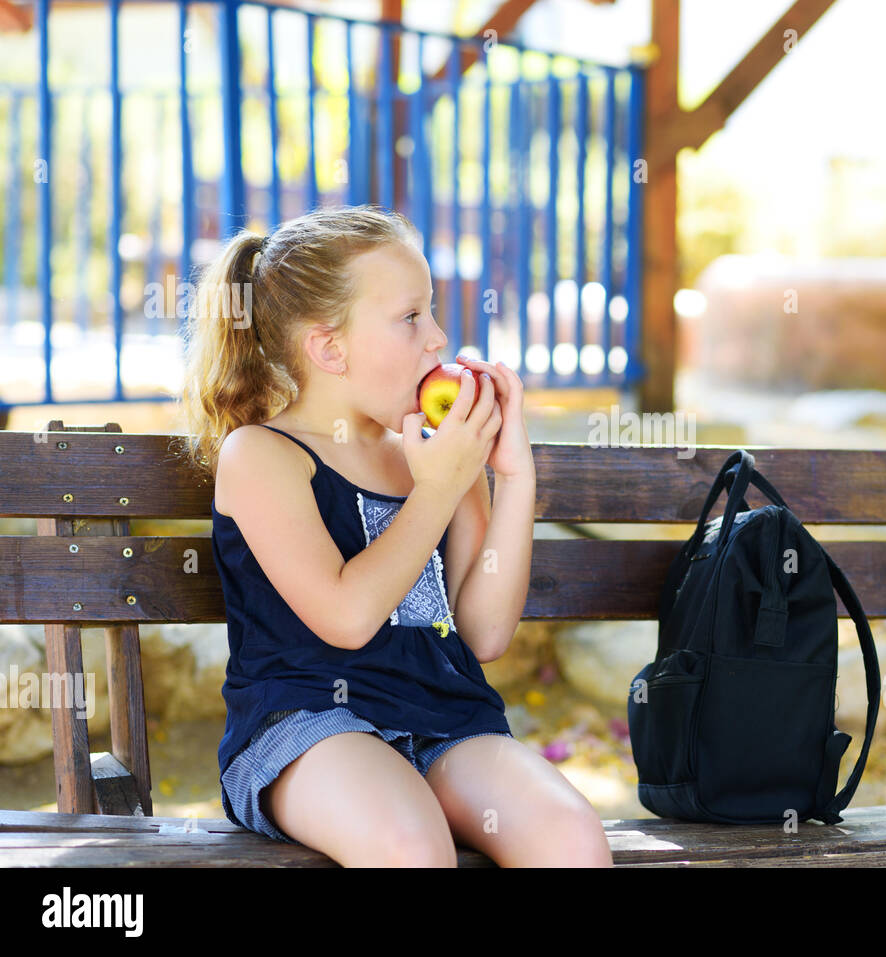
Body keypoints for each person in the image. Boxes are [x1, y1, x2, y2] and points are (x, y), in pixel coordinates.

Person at [176, 204, 613, 867]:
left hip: (446, 719)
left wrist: (512, 474)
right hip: (308, 726)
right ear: (329, 347)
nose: (438, 337)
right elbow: (347, 616)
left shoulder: (443, 452)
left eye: (432, 312)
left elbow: (486, 633)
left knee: (571, 838)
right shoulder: (262, 455)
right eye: (411, 317)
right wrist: (439, 486)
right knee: (411, 846)